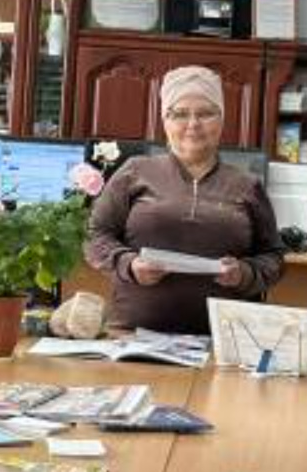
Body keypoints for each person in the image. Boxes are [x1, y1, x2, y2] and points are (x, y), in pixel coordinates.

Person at [84, 65, 285, 334]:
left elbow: (273, 257)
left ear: (222, 119)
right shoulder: (135, 172)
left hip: (225, 339)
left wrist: (244, 273)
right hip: (133, 336)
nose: (193, 124)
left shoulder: (247, 186)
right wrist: (128, 264)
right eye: (180, 114)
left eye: (205, 113)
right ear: (164, 121)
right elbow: (94, 235)